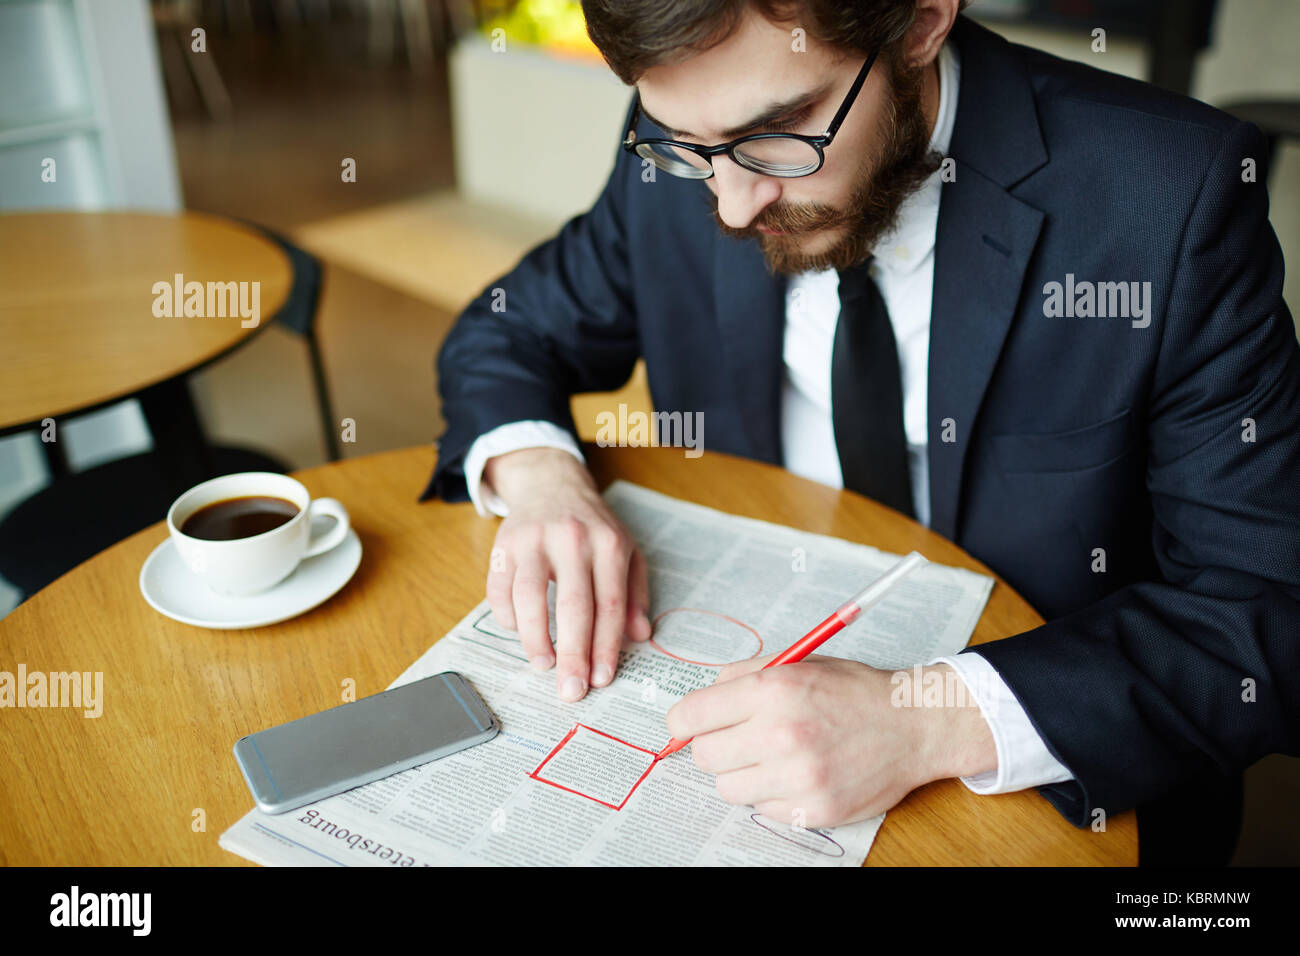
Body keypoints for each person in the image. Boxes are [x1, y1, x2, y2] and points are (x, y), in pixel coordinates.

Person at [422, 0, 1300, 865]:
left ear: (920, 21)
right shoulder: (697, 135)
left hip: (1049, 790)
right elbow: (508, 328)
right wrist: (542, 479)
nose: (731, 207)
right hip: (750, 723)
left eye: (778, 131)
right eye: (689, 148)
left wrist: (928, 720)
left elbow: (1263, 608)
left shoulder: (1168, 196)